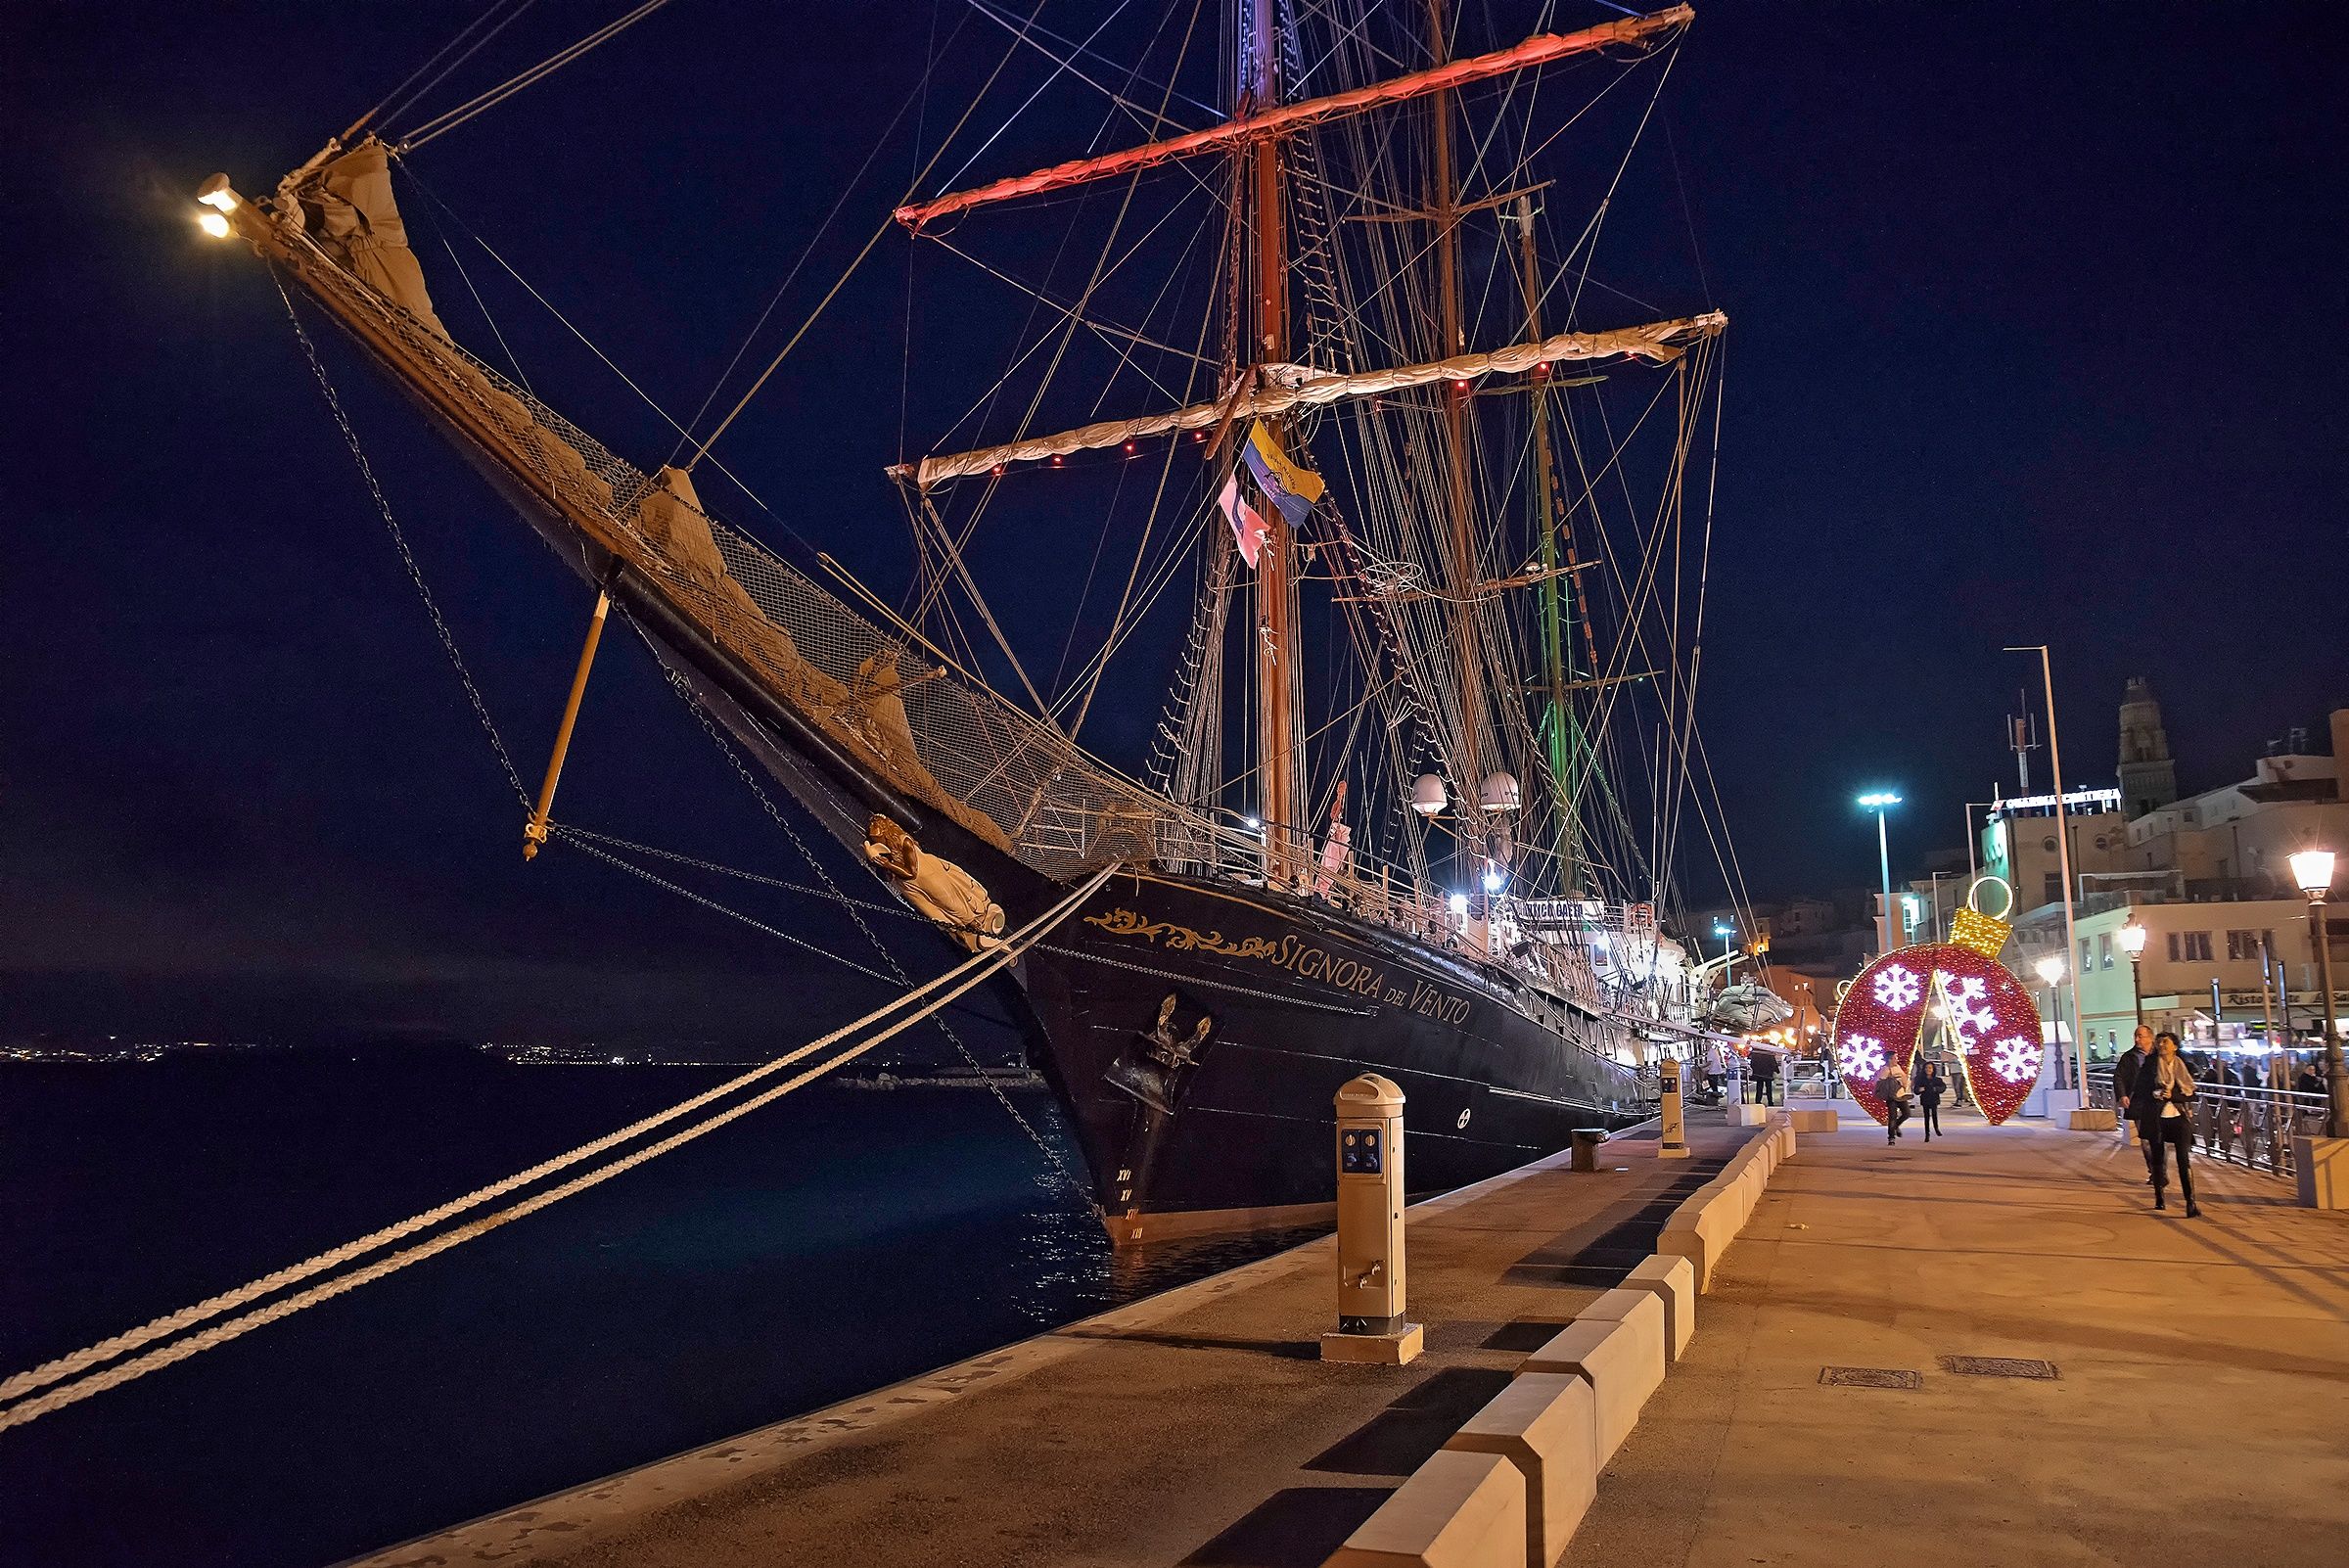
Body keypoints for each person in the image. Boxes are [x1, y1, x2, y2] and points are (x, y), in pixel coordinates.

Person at [2132, 1031, 2200, 1218]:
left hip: (2178, 1116)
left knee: (2183, 1159)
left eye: (2166, 1042)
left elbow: (2191, 1093)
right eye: (2160, 1042)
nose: (2162, 1045)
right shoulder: (2150, 1065)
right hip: (2156, 1117)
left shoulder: (2183, 1065)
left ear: (2175, 1046)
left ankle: (2191, 1203)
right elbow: (2139, 1089)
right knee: (2158, 1158)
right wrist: (2154, 1093)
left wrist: (2173, 1095)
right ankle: (2159, 1197)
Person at [2113, 1025, 2155, 1178]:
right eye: (2135, 1036)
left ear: (2150, 1037)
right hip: (2139, 1103)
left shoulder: (2159, 1054)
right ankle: (2154, 1172)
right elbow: (2118, 1077)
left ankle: (2159, 1170)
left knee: (2158, 1140)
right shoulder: (2129, 1057)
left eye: (2140, 1036)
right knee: (2145, 1140)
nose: (2137, 1039)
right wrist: (2122, 1095)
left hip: (2158, 1103)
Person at [1875, 1059, 1912, 1144]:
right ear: (1890, 1059)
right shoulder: (1885, 1069)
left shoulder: (1898, 1067)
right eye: (1895, 1058)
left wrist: (1904, 1083)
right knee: (1892, 1117)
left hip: (1901, 1094)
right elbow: (1880, 1082)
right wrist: (1891, 1079)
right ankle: (1891, 1137)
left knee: (1906, 1113)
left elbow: (1904, 1078)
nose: (1897, 1059)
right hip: (1891, 1096)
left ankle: (1895, 1126)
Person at [1914, 1060, 1947, 1140]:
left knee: (1934, 1114)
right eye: (1926, 1068)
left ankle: (1936, 1128)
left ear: (1933, 1069)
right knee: (1926, 1116)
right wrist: (1919, 1089)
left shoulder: (1937, 1080)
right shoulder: (1920, 1079)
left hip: (1934, 1099)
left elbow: (1943, 1087)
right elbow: (1916, 1090)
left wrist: (1936, 1089)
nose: (1928, 1069)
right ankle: (1927, 1133)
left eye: (1930, 1068)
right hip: (1925, 1099)